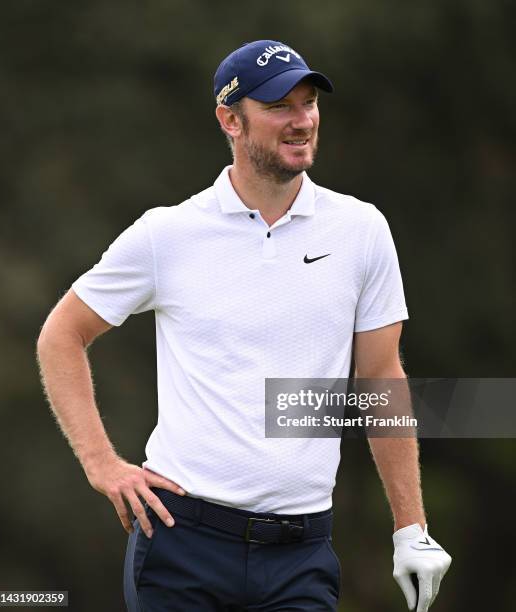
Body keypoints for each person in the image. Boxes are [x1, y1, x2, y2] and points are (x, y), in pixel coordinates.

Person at [37, 39, 451, 612]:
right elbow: (62, 335)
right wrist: (102, 464)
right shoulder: (168, 234)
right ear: (230, 120)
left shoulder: (361, 230)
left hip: (302, 552)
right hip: (182, 542)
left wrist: (411, 527)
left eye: (309, 104)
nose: (302, 121)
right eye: (280, 106)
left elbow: (381, 378)